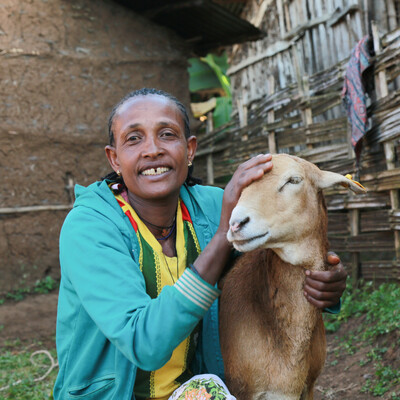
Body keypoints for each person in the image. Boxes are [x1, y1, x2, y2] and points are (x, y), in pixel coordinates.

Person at [54, 88, 347, 400]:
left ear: (189, 149)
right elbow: (144, 344)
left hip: (197, 392)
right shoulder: (90, 226)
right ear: (114, 158)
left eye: (167, 134)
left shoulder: (211, 207)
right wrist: (223, 236)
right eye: (133, 138)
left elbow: (273, 262)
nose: (152, 150)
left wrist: (324, 279)